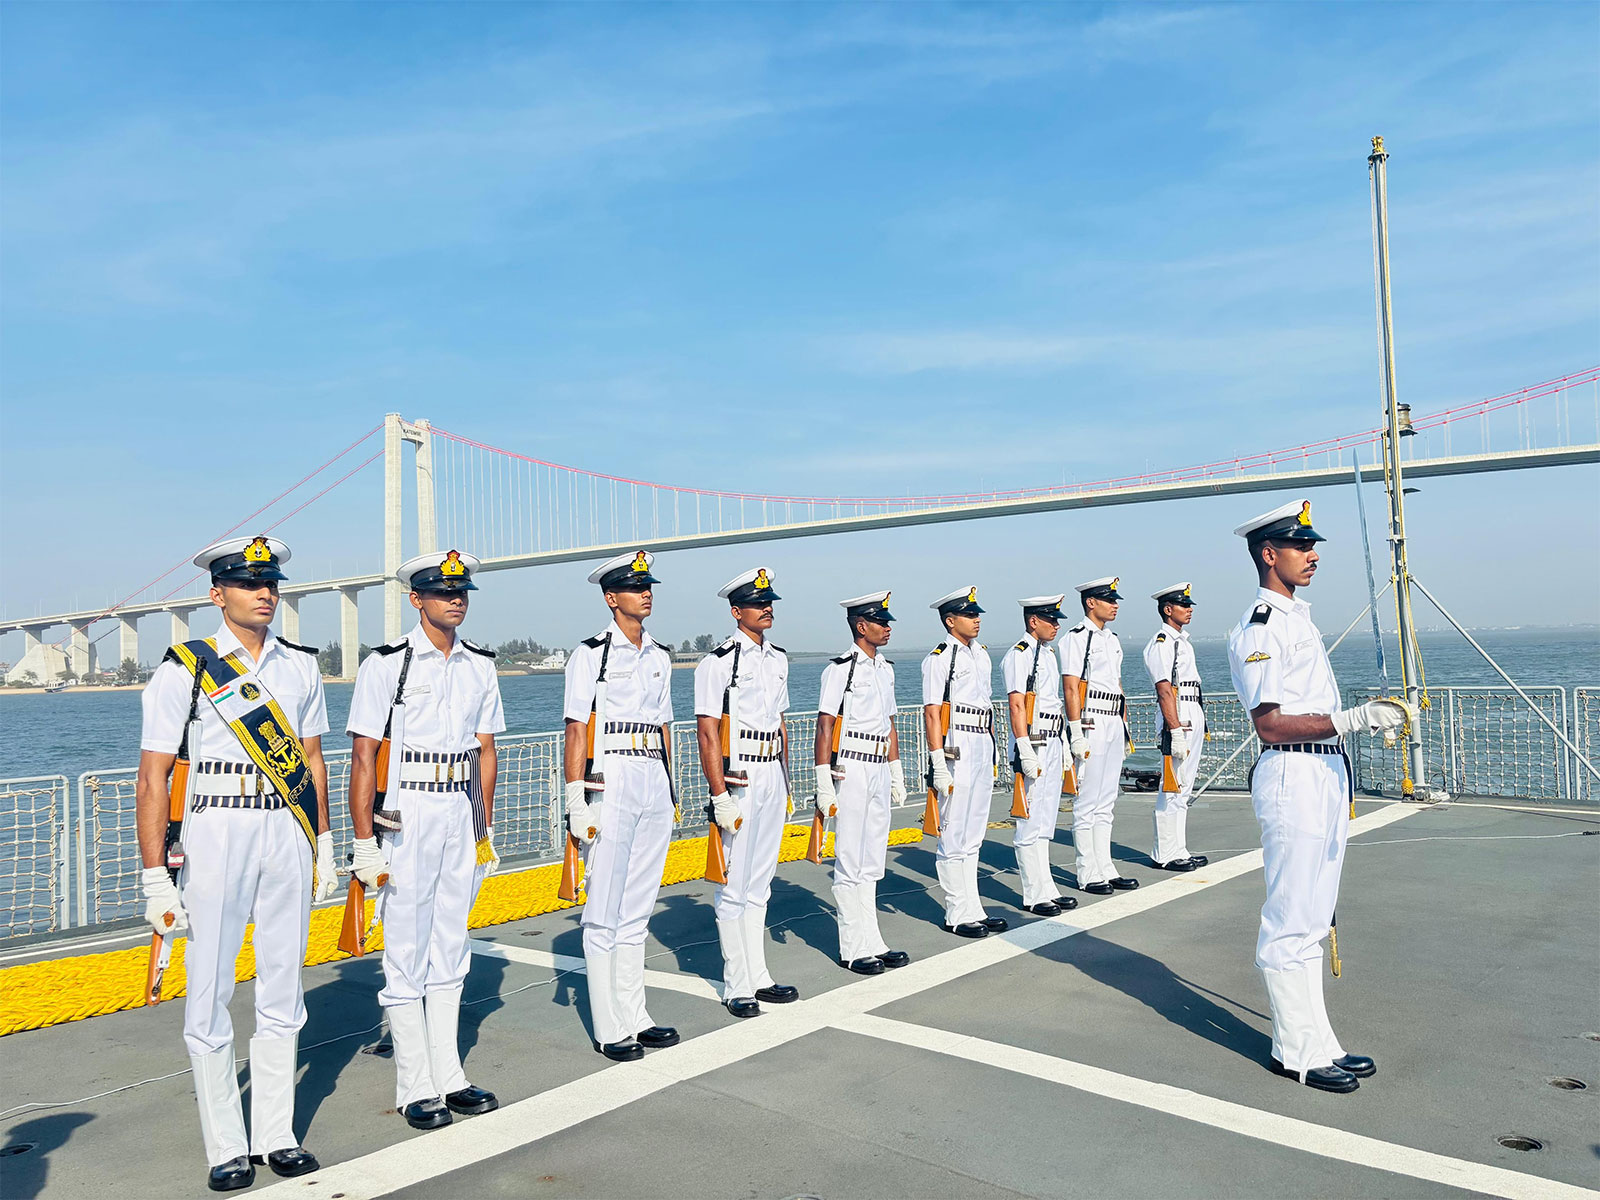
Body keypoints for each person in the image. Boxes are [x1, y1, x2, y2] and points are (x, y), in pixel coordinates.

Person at [136, 536, 331, 1191]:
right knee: (212, 989)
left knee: (283, 985)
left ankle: (275, 1134)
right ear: (217, 593)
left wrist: (324, 842)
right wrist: (154, 875)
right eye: (250, 583)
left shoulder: (302, 667)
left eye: (271, 582)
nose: (266, 592)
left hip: (287, 828)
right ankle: (226, 1146)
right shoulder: (184, 667)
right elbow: (154, 778)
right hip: (216, 828)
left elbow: (310, 759)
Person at [1228, 499, 1413, 1094]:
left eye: (1313, 545)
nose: (1312, 555)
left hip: (1327, 773)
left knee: (1314, 918)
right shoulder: (1262, 627)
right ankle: (1296, 1052)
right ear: (1267, 553)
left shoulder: (1297, 619)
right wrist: (1355, 718)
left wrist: (1349, 729)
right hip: (1293, 772)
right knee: (1291, 918)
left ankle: (1318, 1039)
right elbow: (1271, 724)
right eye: (1299, 545)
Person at [346, 549, 504, 1129]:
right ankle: (415, 1084)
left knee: (451, 943)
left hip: (459, 807)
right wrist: (365, 841)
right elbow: (363, 756)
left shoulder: (480, 665)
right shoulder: (387, 665)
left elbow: (486, 748)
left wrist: (482, 824)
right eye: (442, 592)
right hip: (406, 808)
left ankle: (449, 1075)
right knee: (406, 946)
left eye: (460, 592)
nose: (455, 600)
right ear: (417, 600)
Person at [563, 550, 680, 1061]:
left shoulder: (660, 654)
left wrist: (673, 789)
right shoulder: (591, 653)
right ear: (612, 599)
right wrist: (575, 797)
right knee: (604, 906)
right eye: (635, 588)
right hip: (610, 777)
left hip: (652, 771)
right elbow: (576, 728)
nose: (646, 593)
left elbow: (665, 726)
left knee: (638, 904)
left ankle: (637, 1013)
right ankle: (609, 1024)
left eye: (648, 585)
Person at [694, 567, 800, 1017]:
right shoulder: (717, 662)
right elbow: (706, 733)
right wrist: (718, 793)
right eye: (758, 603)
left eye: (769, 601)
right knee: (734, 884)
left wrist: (788, 781)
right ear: (737, 612)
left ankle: (759, 975)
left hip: (771, 773)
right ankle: (736, 982)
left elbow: (781, 723)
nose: (767, 608)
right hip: (738, 777)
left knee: (761, 882)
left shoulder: (779, 659)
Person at [815, 590, 910, 975]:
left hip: (878, 765)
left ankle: (873, 939)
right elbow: (825, 726)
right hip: (850, 766)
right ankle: (853, 947)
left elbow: (889, 723)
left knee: (872, 858)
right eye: (880, 622)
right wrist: (823, 780)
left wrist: (896, 768)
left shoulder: (884, 668)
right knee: (850, 858)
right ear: (861, 625)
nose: (887, 628)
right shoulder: (840, 669)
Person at [922, 587, 1005, 938]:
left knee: (974, 832)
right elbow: (931, 712)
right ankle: (956, 911)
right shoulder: (940, 658)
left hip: (981, 741)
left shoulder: (981, 655)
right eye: (969, 615)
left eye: (977, 614)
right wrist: (937, 759)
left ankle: (974, 906)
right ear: (950, 620)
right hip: (957, 744)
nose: (977, 619)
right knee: (954, 831)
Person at [1062, 577, 1138, 895]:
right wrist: (1076, 730)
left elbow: (1116, 683)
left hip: (1112, 720)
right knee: (1087, 801)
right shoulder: (1076, 639)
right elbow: (1070, 686)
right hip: (1091, 721)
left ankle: (1105, 866)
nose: (1115, 604)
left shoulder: (1112, 639)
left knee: (1107, 800)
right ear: (1091, 602)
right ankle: (1087, 871)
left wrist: (1124, 726)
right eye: (1108, 599)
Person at [1004, 595, 1078, 915]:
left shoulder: (1047, 654)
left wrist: (1063, 744)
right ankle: (1033, 893)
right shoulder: (1018, 655)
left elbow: (1053, 704)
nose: (1057, 624)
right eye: (1051, 619)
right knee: (1029, 820)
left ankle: (1047, 885)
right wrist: (1023, 748)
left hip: (1052, 739)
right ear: (1034, 621)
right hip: (1032, 743)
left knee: (1046, 819)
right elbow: (1017, 704)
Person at [1144, 583, 1208, 871]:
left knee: (1184, 787)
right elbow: (1165, 690)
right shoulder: (1162, 643)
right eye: (1183, 605)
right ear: (1168, 609)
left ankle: (1178, 848)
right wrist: (1175, 730)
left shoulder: (1182, 641)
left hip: (1191, 710)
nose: (1190, 609)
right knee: (1171, 786)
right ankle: (1164, 853)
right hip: (1177, 715)